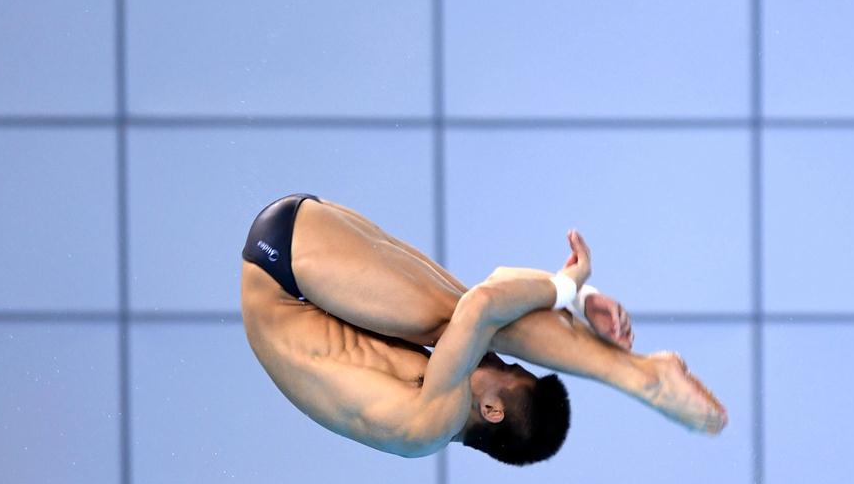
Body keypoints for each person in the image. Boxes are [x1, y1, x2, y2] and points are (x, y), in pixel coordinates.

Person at [240, 194, 727, 466]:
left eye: (511, 372)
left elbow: (486, 303)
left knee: (470, 319)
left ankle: (639, 377)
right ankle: (623, 358)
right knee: (470, 318)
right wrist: (572, 301)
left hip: (286, 272)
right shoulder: (436, 407)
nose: (502, 363)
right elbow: (491, 292)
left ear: (491, 410)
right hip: (295, 260)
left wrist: (568, 287)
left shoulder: (428, 423)